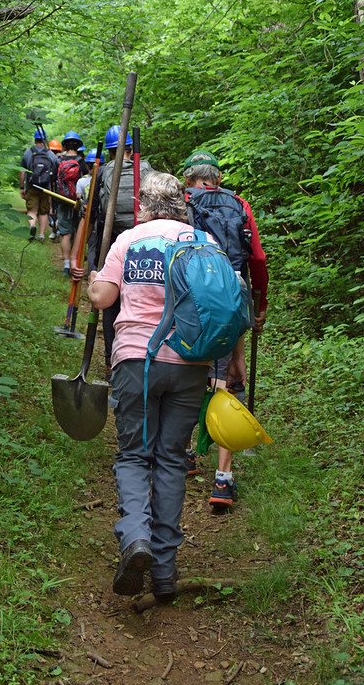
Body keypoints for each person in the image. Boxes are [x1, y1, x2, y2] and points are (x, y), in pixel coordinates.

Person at [87, 171, 245, 601]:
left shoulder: (130, 240)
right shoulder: (203, 243)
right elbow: (229, 301)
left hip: (137, 361)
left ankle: (135, 538)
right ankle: (163, 572)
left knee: (135, 456)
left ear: (144, 205)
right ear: (182, 205)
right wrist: (231, 360)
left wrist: (91, 281)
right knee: (172, 461)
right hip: (190, 363)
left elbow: (102, 297)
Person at [183, 151, 269, 507]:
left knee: (191, 369)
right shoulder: (239, 204)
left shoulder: (183, 203)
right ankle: (223, 479)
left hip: (193, 295)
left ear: (189, 178)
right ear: (217, 178)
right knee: (229, 375)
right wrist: (259, 303)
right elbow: (258, 259)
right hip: (234, 294)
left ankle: (185, 452)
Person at [96, 125, 152, 376]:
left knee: (111, 300)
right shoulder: (148, 169)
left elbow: (98, 209)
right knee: (145, 295)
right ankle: (143, 356)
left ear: (110, 153)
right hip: (145, 241)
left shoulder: (105, 171)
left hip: (114, 237)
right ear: (132, 149)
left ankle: (111, 361)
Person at [56, 131, 88, 276]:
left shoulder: (59, 161)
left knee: (65, 233)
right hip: (78, 202)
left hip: (62, 201)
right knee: (78, 231)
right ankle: (77, 262)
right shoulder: (82, 162)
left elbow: (54, 183)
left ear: (65, 145)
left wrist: (53, 204)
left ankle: (66, 265)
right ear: (78, 145)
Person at [19, 130, 59, 243]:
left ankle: (32, 225)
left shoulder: (28, 153)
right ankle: (41, 235)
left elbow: (22, 172)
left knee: (32, 210)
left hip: (31, 186)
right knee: (43, 211)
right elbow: (56, 169)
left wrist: (22, 188)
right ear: (45, 140)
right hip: (46, 188)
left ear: (35, 140)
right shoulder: (50, 154)